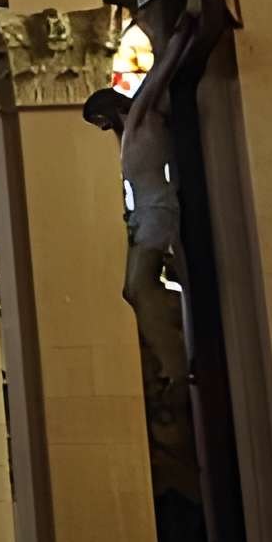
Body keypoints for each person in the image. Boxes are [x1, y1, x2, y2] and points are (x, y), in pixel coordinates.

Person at [83, 74, 189, 415]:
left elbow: (158, 78)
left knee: (139, 287)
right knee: (132, 291)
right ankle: (178, 312)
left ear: (110, 108)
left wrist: (171, 36)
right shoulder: (126, 136)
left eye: (99, 120)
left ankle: (176, 366)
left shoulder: (142, 117)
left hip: (159, 210)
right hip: (144, 215)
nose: (101, 128)